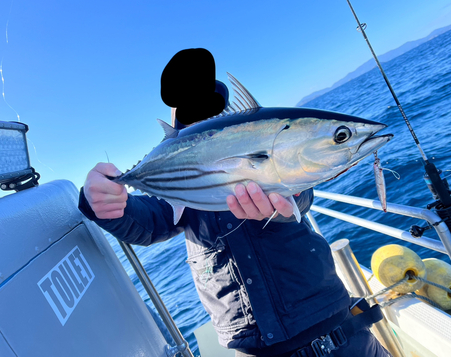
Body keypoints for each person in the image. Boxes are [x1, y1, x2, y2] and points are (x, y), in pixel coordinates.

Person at [78, 49, 391, 357]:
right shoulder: (179, 183)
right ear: (177, 134)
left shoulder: (269, 144)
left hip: (342, 335)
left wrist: (289, 196)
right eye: (190, 118)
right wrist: (105, 201)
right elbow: (148, 222)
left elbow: (301, 191)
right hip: (255, 349)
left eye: (210, 111)